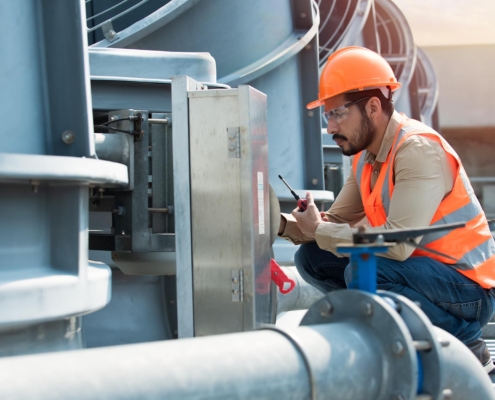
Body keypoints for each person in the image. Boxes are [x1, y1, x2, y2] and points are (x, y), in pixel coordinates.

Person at [278, 46, 495, 372]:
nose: (330, 128)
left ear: (373, 106)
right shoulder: (366, 157)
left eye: (337, 113)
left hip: (467, 291)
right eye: (327, 115)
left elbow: (398, 244)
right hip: (415, 276)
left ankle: (466, 344)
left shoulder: (416, 150)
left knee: (369, 269)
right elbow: (333, 222)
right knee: (312, 257)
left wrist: (320, 230)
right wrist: (278, 223)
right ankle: (377, 331)